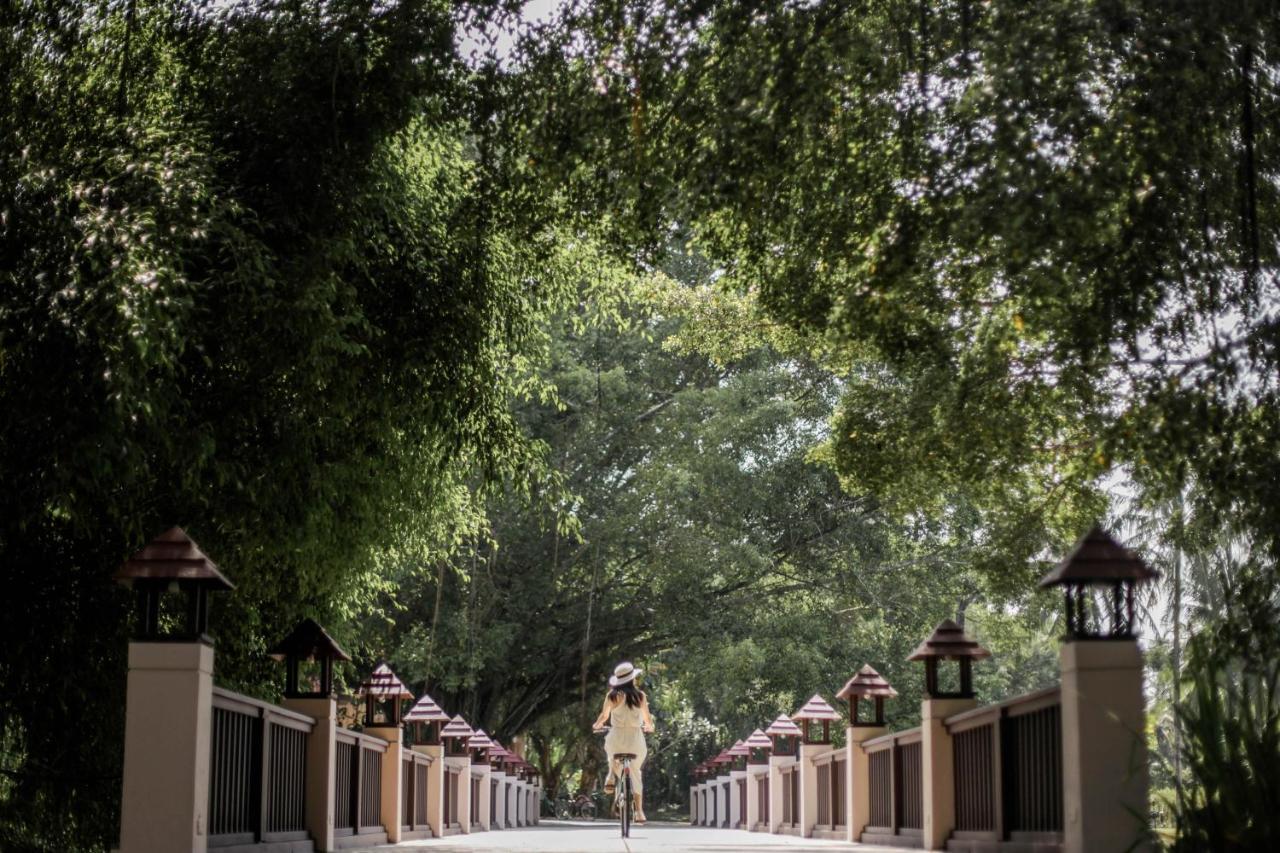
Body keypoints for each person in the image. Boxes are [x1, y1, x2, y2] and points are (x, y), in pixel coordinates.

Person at [592, 661, 655, 824]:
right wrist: (649, 726)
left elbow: (604, 716)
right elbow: (647, 719)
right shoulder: (640, 696)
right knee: (635, 772)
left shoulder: (612, 696)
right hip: (635, 739)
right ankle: (639, 812)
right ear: (632, 678)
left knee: (611, 751)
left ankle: (611, 775)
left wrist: (597, 725)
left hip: (617, 737)